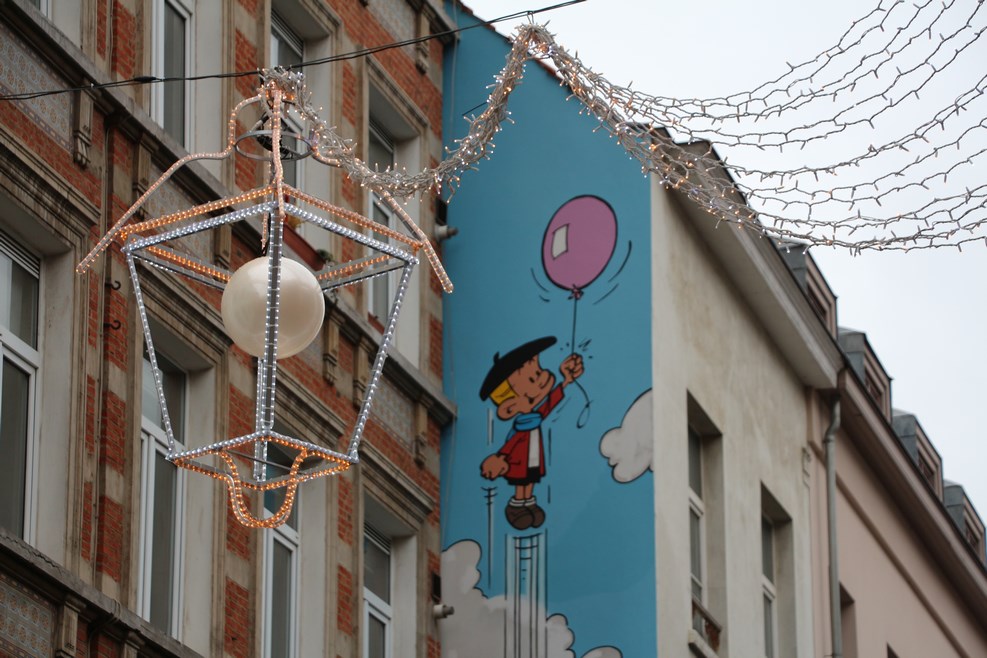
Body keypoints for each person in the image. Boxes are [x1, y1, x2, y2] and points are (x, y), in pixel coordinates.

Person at [479, 336, 584, 530]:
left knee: (531, 479)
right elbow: (511, 443)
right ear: (510, 407)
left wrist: (566, 382)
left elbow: (549, 405)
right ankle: (517, 506)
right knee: (522, 482)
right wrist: (500, 457)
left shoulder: (535, 417)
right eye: (533, 378)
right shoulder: (521, 426)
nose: (543, 377)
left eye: (538, 371)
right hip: (519, 461)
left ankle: (529, 503)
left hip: (533, 458)